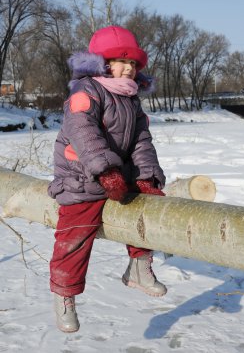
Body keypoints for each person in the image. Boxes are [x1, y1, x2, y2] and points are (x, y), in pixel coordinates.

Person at [48, 25, 167, 333]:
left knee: (144, 209)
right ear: (102, 64)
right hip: (81, 176)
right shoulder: (86, 91)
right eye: (120, 61)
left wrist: (146, 176)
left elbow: (141, 139)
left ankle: (139, 268)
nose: (128, 68)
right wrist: (105, 171)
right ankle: (65, 295)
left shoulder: (132, 99)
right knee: (75, 232)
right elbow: (84, 132)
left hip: (117, 174)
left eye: (133, 63)